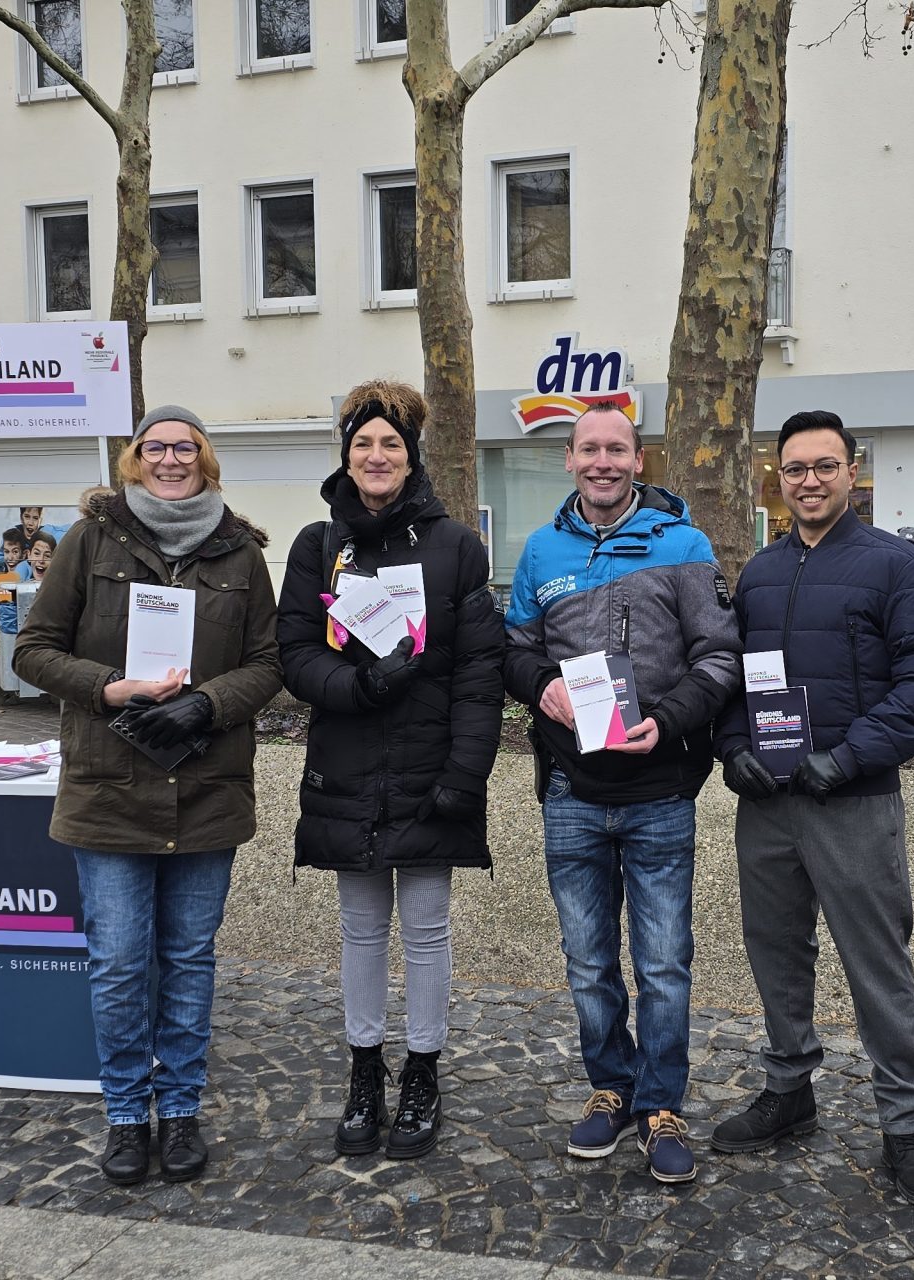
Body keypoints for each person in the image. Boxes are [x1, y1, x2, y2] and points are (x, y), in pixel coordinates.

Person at [11, 405, 283, 1188]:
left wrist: (210, 702)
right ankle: (128, 1117)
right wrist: (110, 688)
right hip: (109, 786)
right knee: (121, 964)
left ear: (206, 457)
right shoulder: (89, 541)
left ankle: (182, 1110)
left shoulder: (240, 551)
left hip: (206, 785)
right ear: (135, 459)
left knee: (189, 961)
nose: (170, 459)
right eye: (155, 447)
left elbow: (269, 663)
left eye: (185, 447)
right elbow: (34, 650)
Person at [711, 410, 914, 1209]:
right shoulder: (758, 573)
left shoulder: (896, 568)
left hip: (853, 800)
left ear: (853, 472)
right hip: (770, 807)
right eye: (794, 469)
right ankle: (790, 1089)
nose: (809, 481)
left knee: (877, 967)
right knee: (776, 954)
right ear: (776, 479)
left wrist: (848, 756)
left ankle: (903, 1127)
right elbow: (732, 678)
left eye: (824, 466)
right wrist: (731, 747)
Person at [502, 404, 739, 1185]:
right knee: (588, 961)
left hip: (661, 789)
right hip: (572, 787)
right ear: (568, 460)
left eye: (618, 449)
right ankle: (610, 1088)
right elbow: (515, 648)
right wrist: (539, 689)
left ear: (640, 461)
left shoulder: (684, 546)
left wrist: (668, 721)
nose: (602, 461)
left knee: (665, 964)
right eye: (589, 449)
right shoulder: (541, 551)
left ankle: (661, 1104)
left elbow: (718, 656)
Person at [275, 379, 502, 1162]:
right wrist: (359, 684)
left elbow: (480, 673)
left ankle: (424, 1072)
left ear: (412, 457)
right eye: (364, 443)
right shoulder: (316, 547)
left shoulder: (455, 547)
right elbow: (295, 656)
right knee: (362, 929)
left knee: (429, 931)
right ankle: (365, 1070)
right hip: (346, 765)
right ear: (347, 453)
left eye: (391, 445)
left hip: (432, 767)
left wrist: (465, 776)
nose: (377, 456)